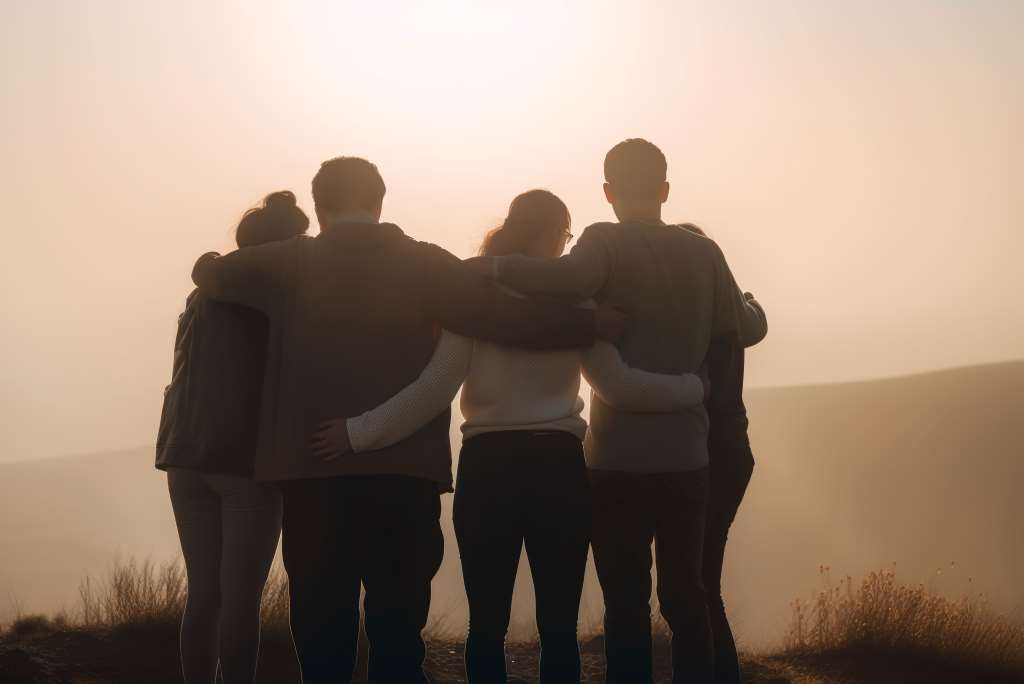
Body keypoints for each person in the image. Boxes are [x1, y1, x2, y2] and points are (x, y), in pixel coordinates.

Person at [189, 158, 624, 684]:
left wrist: (210, 261)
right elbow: (505, 318)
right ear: (379, 201)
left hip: (313, 475)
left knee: (323, 640)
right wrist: (588, 322)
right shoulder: (426, 263)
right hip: (405, 478)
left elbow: (211, 275)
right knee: (397, 640)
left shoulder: (284, 262)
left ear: (320, 207)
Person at [311, 189, 708, 684]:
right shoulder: (576, 304)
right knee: (559, 627)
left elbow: (434, 389)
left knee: (486, 626)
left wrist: (356, 433)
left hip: (488, 468)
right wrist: (695, 387)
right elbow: (620, 386)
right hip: (559, 469)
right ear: (554, 233)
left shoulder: (474, 301)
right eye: (566, 236)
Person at [467, 140, 767, 684]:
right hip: (686, 457)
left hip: (615, 461)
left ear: (607, 192)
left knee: (626, 601)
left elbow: (565, 279)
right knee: (687, 596)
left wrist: (492, 267)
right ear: (665, 190)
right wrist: (751, 304)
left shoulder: (603, 242)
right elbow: (746, 330)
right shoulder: (705, 254)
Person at [156, 191, 309, 684]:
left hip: (183, 454)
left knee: (204, 593)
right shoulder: (274, 299)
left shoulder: (200, 297)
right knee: (241, 599)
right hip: (244, 461)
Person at [680, 223, 756, 684]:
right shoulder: (732, 316)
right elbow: (754, 322)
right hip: (733, 450)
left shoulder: (685, 320)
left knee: (696, 584)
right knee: (704, 580)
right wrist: (751, 301)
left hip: (704, 453)